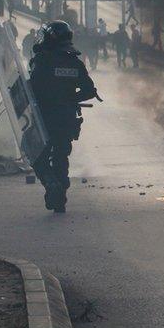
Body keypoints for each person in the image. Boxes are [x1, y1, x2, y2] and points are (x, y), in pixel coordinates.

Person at [29, 21, 98, 212]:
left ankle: (51, 184)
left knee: (38, 156)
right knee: (61, 156)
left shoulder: (42, 61)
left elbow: (32, 89)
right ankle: (60, 197)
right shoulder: (74, 63)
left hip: (44, 119)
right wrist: (69, 98)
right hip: (67, 119)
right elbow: (89, 90)